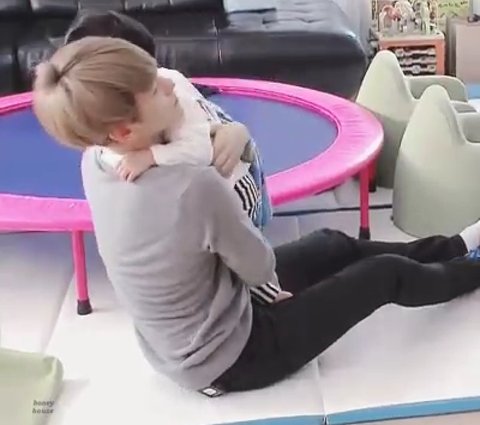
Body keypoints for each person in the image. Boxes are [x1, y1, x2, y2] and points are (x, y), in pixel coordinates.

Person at [32, 36, 480, 396]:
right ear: (124, 130)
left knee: (331, 245)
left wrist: (230, 132)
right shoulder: (190, 187)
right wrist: (236, 141)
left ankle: (456, 245)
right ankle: (471, 269)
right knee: (384, 275)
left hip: (195, 325)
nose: (169, 85)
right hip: (232, 357)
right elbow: (259, 266)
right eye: (154, 89)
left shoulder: (95, 161)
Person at [63, 9, 281, 304]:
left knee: (250, 251)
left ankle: (270, 297)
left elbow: (203, 148)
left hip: (234, 179)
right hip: (209, 199)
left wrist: (153, 154)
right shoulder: (101, 154)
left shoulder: (174, 97)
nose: (165, 83)